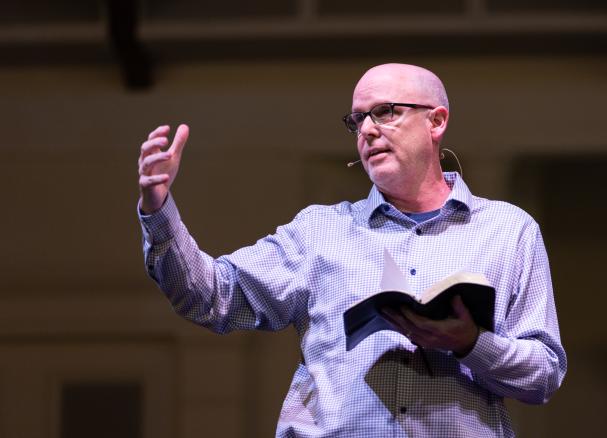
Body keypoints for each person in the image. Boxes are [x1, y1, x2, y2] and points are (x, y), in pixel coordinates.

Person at [137, 63, 567, 437]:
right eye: (357, 119)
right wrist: (158, 207)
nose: (367, 130)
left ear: (436, 122)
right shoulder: (320, 231)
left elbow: (544, 374)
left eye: (385, 112)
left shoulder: (507, 231)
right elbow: (214, 296)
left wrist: (471, 343)